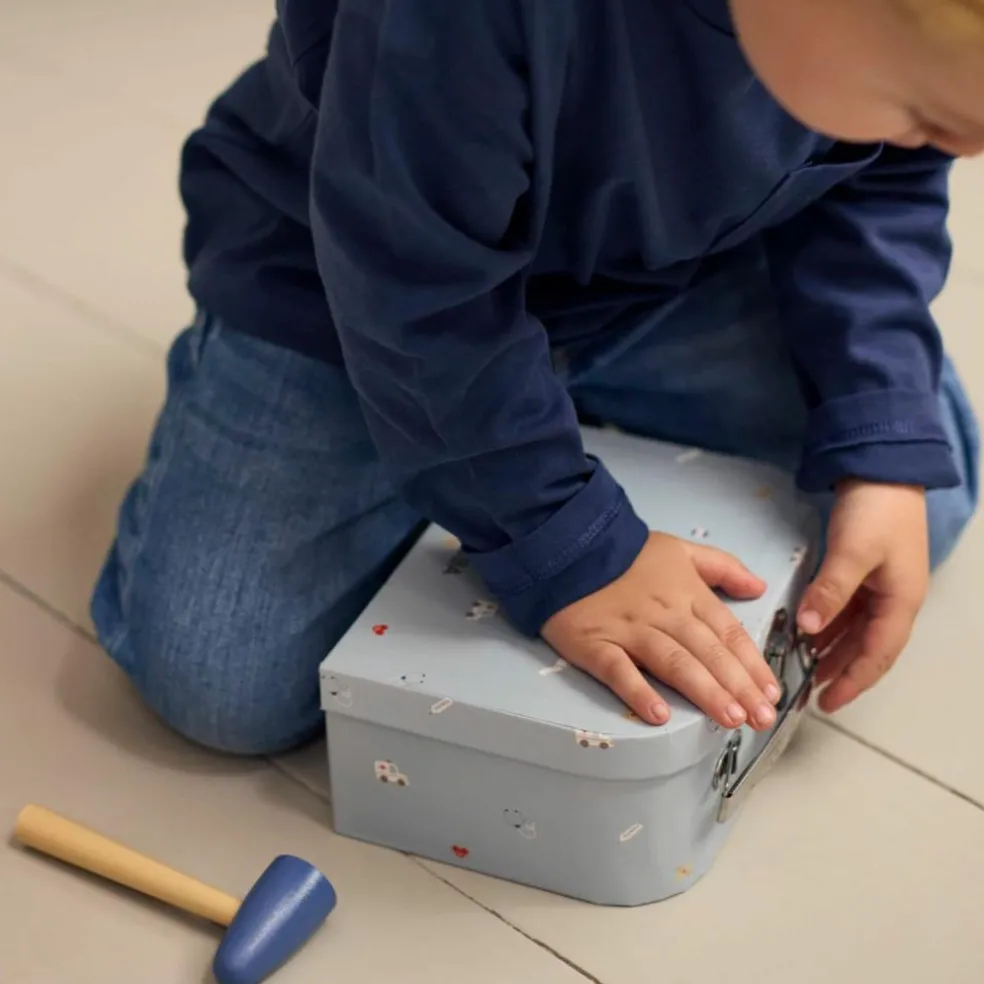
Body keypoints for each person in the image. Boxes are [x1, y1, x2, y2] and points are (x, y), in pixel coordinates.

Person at [93, 0, 982, 755]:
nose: (960, 151)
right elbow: (413, 287)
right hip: (353, 292)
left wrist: (880, 431)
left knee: (907, 493)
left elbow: (881, 180)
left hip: (666, 278)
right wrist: (571, 547)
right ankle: (503, 453)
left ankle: (520, 439)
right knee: (218, 678)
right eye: (928, 116)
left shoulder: (863, 41)